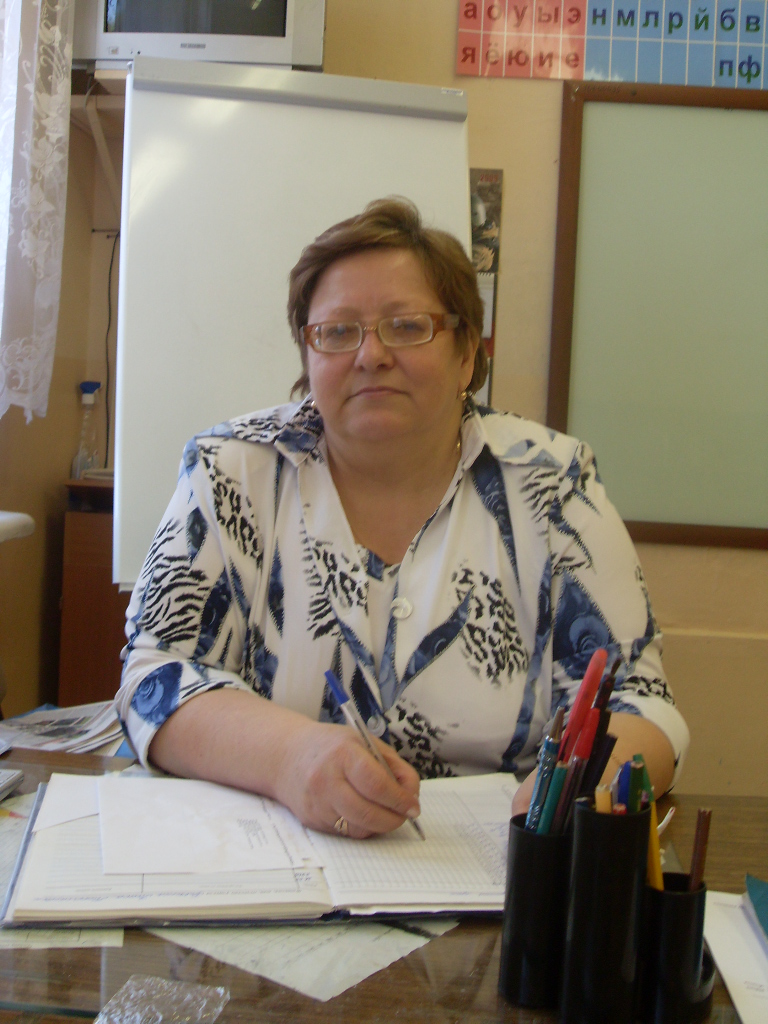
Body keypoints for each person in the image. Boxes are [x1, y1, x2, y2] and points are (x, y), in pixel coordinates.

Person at [116, 198, 689, 839]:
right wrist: (290, 757)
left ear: (467, 353)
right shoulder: (230, 470)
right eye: (337, 332)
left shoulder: (551, 481)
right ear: (308, 356)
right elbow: (154, 674)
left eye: (407, 326)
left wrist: (567, 800)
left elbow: (638, 700)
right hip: (271, 859)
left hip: (497, 863)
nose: (371, 355)